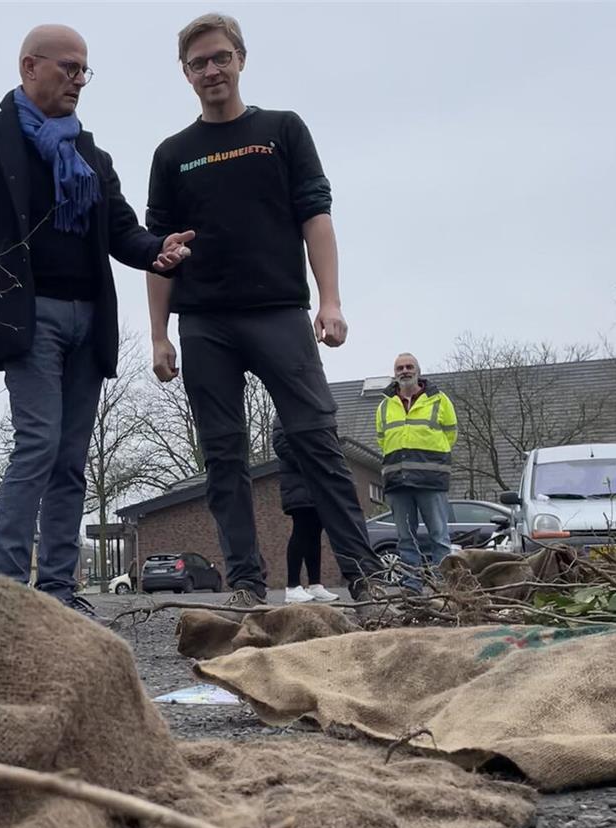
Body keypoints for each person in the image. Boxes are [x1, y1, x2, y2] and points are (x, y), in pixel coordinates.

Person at [0, 25, 194, 618]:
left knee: (71, 459)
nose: (78, 80)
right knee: (39, 444)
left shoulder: (91, 156)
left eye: (83, 71)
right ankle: (3, 590)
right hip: (26, 318)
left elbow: (122, 230)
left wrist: (158, 251)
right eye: (68, 68)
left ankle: (58, 594)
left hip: (89, 320)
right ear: (29, 68)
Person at [144, 12, 382, 611]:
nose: (211, 70)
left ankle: (365, 576)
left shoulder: (282, 130)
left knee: (317, 442)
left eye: (220, 57)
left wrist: (330, 300)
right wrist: (159, 335)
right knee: (223, 455)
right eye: (198, 63)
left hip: (279, 312)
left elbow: (316, 217)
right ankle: (247, 586)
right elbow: (159, 253)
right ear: (185, 74)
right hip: (205, 323)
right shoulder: (173, 154)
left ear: (241, 59)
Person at [375, 353, 458, 591]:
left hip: (431, 481)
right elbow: (383, 440)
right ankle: (412, 587)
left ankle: (443, 588)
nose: (404, 371)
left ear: (418, 371)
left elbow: (450, 434)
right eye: (400, 367)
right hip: (398, 481)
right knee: (405, 539)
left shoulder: (439, 401)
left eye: (409, 366)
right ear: (395, 373)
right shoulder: (384, 406)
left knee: (439, 537)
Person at [271, 419, 340, 604]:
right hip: (298, 484)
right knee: (301, 531)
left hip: (316, 485)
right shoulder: (285, 412)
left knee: (314, 534)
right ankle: (292, 586)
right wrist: (311, 464)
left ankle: (315, 585)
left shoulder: (313, 412)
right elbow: (281, 444)